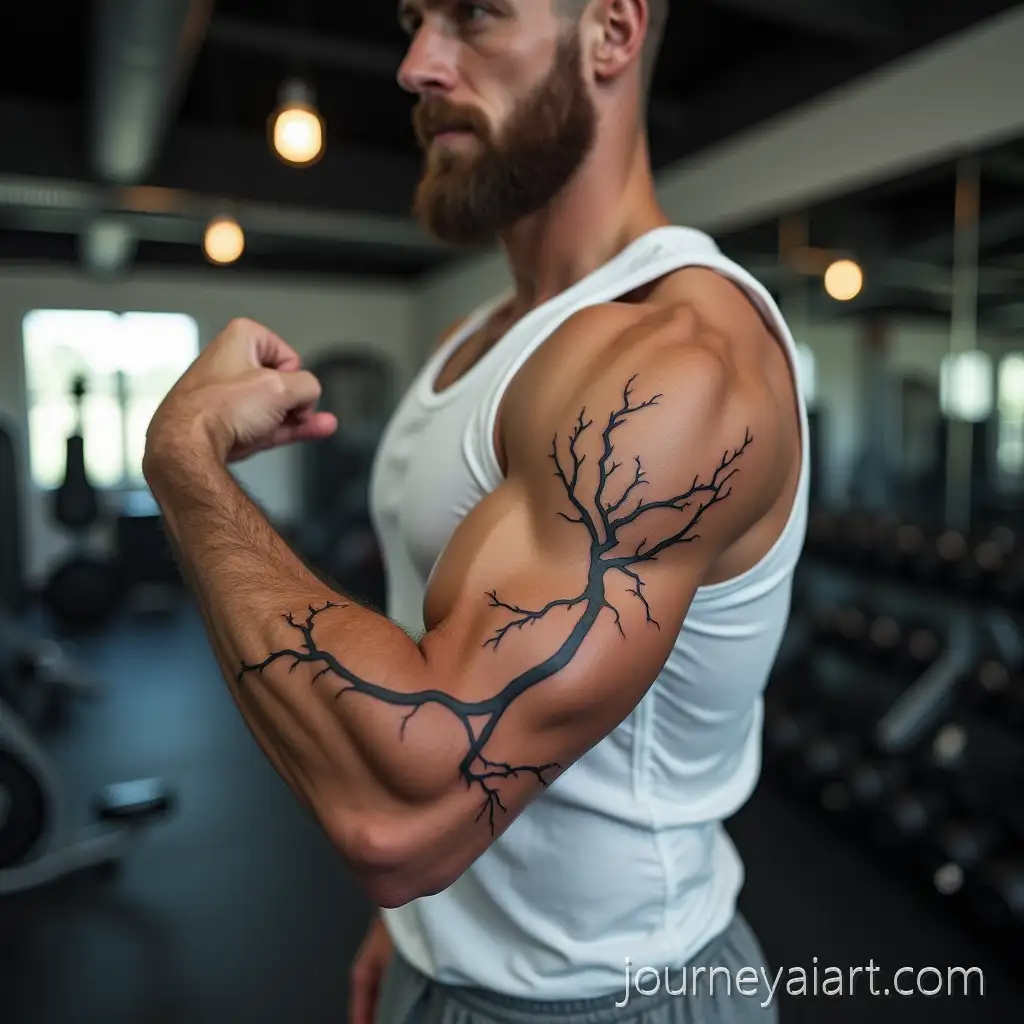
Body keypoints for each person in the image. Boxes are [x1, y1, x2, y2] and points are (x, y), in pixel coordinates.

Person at [143, 1, 808, 1022]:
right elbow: (447, 662)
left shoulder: (672, 360)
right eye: (413, 19)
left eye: (476, 13)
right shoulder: (480, 336)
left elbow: (402, 817)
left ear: (612, 33)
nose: (414, 64)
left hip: (614, 994)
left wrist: (187, 467)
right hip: (443, 954)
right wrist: (420, 934)